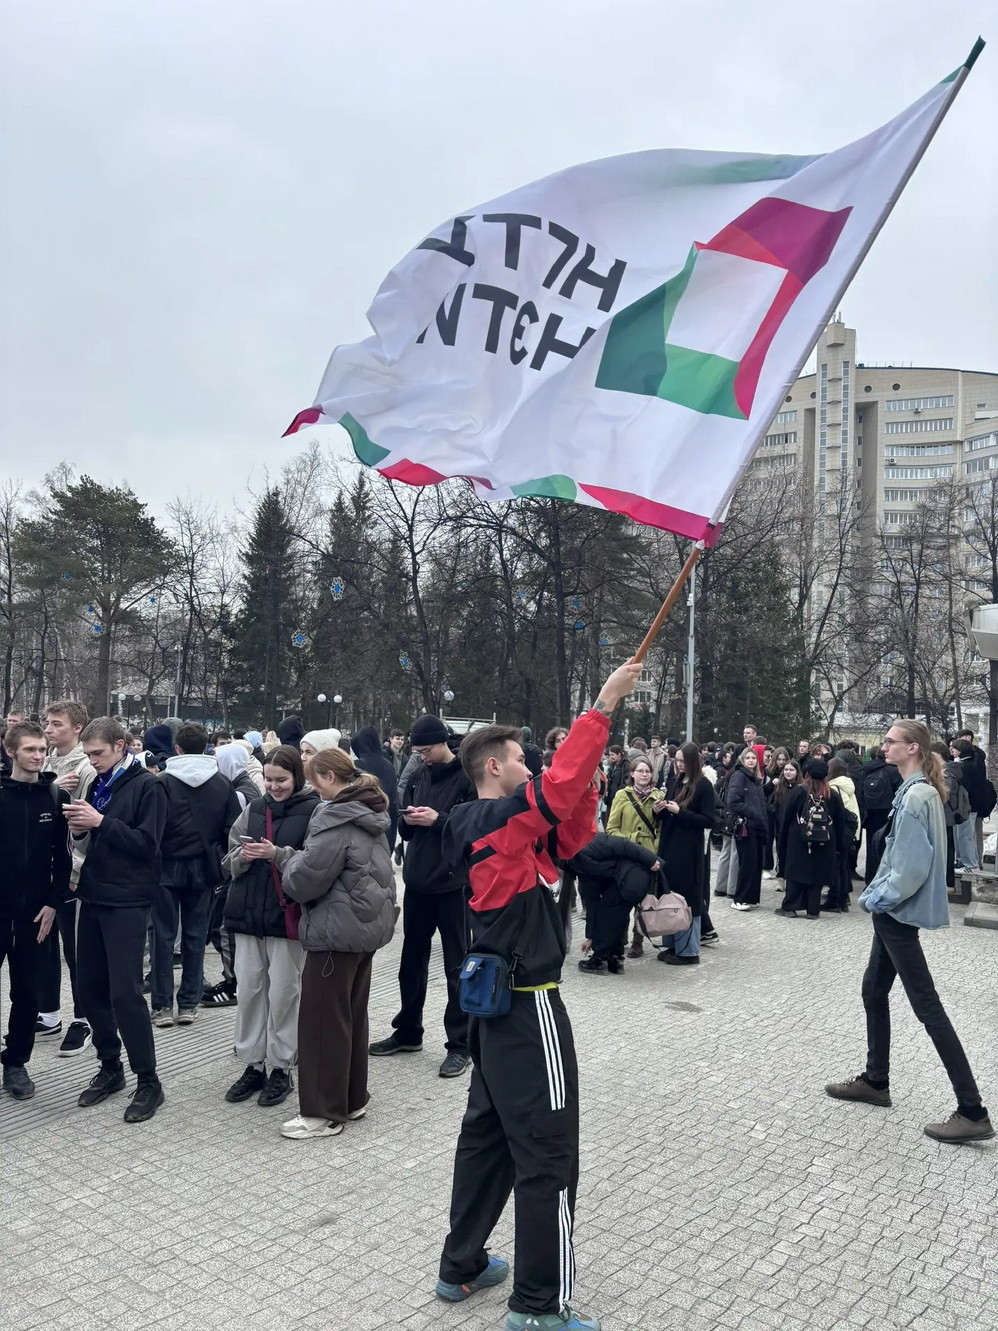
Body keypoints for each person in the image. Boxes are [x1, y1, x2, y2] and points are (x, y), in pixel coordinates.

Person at [434, 660, 641, 1331]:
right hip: (528, 1005)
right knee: (549, 1154)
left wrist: (589, 765)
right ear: (494, 767)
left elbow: (571, 829)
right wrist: (602, 705)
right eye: (523, 759)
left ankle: (461, 1264)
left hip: (496, 1009)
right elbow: (551, 799)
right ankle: (538, 1303)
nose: (531, 767)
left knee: (487, 1136)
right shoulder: (485, 819)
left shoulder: (508, 832)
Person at [825, 719, 993, 1144]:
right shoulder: (917, 792)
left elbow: (911, 868)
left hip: (895, 914)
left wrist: (875, 898)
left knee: (927, 1007)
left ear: (913, 749)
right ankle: (876, 1081)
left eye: (890, 742)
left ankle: (972, 1109)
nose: (883, 747)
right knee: (873, 990)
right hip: (893, 915)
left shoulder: (917, 796)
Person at [279, 747, 396, 1139]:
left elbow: (302, 882)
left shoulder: (335, 819)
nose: (313, 788)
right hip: (364, 929)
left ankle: (322, 1112)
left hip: (335, 933)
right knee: (350, 1015)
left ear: (330, 777)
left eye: (314, 780)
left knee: (322, 1023)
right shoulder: (371, 810)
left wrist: (285, 859)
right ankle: (351, 1097)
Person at [67, 716, 168, 1124]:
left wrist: (101, 822)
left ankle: (149, 1081)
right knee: (87, 988)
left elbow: (148, 844)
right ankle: (111, 1067)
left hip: (127, 900)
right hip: (91, 894)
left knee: (125, 992)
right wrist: (78, 831)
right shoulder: (96, 780)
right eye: (89, 754)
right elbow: (92, 837)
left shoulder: (150, 785)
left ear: (122, 746)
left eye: (99, 753)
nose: (93, 761)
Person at [370, 714, 475, 1078]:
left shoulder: (467, 777)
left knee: (457, 967)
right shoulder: (417, 774)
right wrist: (408, 820)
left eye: (426, 749)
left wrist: (439, 819)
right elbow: (406, 831)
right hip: (417, 883)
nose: (422, 756)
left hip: (453, 886)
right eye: (417, 750)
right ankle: (408, 1030)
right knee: (410, 964)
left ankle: (461, 1044)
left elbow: (475, 827)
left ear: (443, 742)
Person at [221, 745, 319, 1108]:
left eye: (282, 780)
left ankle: (282, 1066)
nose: (274, 787)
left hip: (287, 915)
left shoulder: (315, 811)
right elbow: (228, 860)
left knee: (285, 993)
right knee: (248, 991)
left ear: (298, 777)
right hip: (248, 914)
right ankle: (252, 1063)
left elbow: (316, 864)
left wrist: (277, 854)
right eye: (269, 779)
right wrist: (242, 857)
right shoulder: (253, 808)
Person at [150, 723, 240, 1027]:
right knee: (195, 935)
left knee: (162, 936)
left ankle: (161, 1006)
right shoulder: (222, 783)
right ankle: (188, 1003)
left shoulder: (162, 782)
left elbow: (153, 826)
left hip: (165, 866)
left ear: (177, 748)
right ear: (207, 747)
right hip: (204, 867)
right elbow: (232, 829)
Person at [0, 722, 72, 1100]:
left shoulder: (54, 796)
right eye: (30, 749)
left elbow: (62, 857)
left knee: (27, 991)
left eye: (42, 749)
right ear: (11, 751)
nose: (39, 755)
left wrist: (53, 902)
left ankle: (16, 1063)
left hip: (36, 913)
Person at [37, 698, 96, 1054]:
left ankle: (84, 1018)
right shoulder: (45, 762)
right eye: (47, 722)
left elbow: (82, 823)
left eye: (57, 723)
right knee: (41, 944)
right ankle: (48, 1013)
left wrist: (75, 871)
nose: (48, 729)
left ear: (77, 728)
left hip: (72, 872)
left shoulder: (85, 768)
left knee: (76, 950)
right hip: (41, 870)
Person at [654, 742, 715, 964]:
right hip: (669, 846)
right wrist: (659, 810)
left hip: (689, 851)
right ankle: (672, 944)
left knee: (687, 898)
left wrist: (681, 812)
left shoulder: (704, 786)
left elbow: (709, 820)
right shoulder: (676, 781)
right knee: (669, 895)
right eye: (676, 761)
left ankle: (689, 951)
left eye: (682, 761)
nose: (679, 765)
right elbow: (668, 811)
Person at [568, 834, 659, 974]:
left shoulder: (591, 843)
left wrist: (651, 859)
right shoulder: (581, 871)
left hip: (634, 875)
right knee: (617, 915)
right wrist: (591, 937)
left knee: (608, 913)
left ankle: (601, 959)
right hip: (624, 880)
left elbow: (625, 844)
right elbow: (591, 905)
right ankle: (615, 959)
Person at [606, 756, 663, 958]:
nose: (644, 774)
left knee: (643, 901)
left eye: (647, 771)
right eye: (640, 771)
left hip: (647, 855)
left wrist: (653, 851)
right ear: (632, 773)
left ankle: (637, 941)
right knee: (622, 898)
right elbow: (611, 829)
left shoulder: (658, 796)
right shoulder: (622, 795)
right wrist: (630, 840)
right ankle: (620, 939)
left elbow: (660, 829)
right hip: (625, 854)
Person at [775, 759, 846, 920]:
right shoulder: (831, 794)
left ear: (807, 774)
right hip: (824, 840)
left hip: (799, 838)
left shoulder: (799, 791)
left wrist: (782, 841)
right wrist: (840, 846)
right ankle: (813, 910)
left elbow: (786, 818)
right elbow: (840, 821)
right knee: (817, 873)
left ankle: (790, 907)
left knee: (795, 872)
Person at [726, 747, 768, 910]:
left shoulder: (755, 779)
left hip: (757, 826)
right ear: (743, 760)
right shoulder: (739, 776)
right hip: (746, 825)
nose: (751, 760)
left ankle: (751, 897)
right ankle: (739, 899)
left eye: (753, 758)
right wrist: (752, 812)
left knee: (756, 863)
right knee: (747, 863)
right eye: (748, 758)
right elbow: (733, 801)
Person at [351, 723, 400, 849]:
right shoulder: (389, 766)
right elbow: (394, 801)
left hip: (363, 831)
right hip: (387, 826)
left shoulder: (357, 766)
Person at [860, 745, 902, 885]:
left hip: (870, 813)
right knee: (885, 848)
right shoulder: (893, 771)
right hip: (887, 814)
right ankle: (882, 881)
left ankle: (870, 880)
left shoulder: (865, 769)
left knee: (871, 848)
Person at [949, 738, 986, 871]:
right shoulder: (971, 764)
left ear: (961, 750)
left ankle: (970, 863)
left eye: (954, 748)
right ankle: (964, 860)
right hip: (971, 805)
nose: (951, 750)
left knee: (965, 835)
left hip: (968, 806)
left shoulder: (965, 766)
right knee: (963, 835)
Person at [711, 745, 741, 900]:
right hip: (735, 817)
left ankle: (720, 887)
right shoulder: (740, 775)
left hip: (725, 817)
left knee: (726, 851)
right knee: (735, 852)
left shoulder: (728, 775)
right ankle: (732, 889)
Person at [770, 760, 802, 879]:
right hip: (780, 822)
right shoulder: (779, 786)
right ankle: (781, 875)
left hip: (794, 824)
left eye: (791, 770)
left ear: (797, 772)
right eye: (786, 770)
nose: (788, 772)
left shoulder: (801, 788)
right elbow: (773, 803)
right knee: (781, 849)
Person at [603, 744, 630, 817]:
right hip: (611, 797)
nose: (611, 757)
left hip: (619, 797)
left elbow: (627, 781)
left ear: (619, 754)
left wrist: (619, 792)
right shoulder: (613, 764)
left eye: (612, 755)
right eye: (610, 755)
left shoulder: (626, 765)